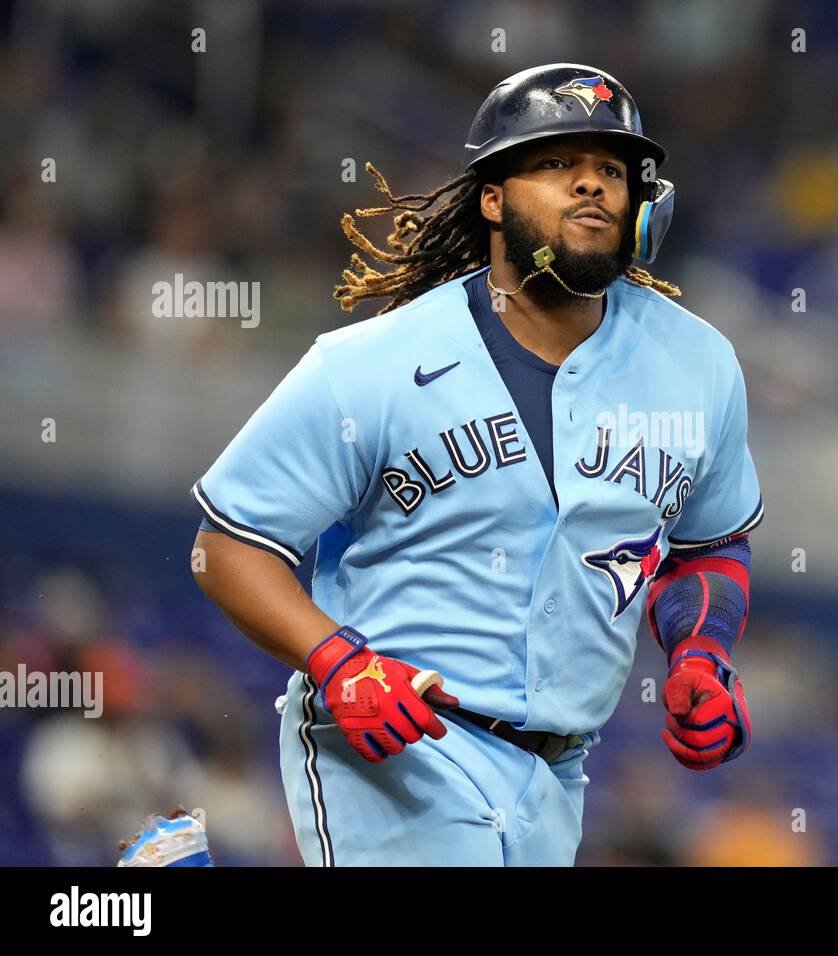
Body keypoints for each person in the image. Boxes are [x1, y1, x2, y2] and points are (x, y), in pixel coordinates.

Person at [189, 63, 763, 866]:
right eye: (557, 163)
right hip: (398, 745)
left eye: (610, 169)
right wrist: (339, 664)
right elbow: (229, 543)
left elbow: (708, 544)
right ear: (491, 196)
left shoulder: (700, 364)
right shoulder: (374, 363)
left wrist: (701, 652)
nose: (591, 185)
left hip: (559, 771)